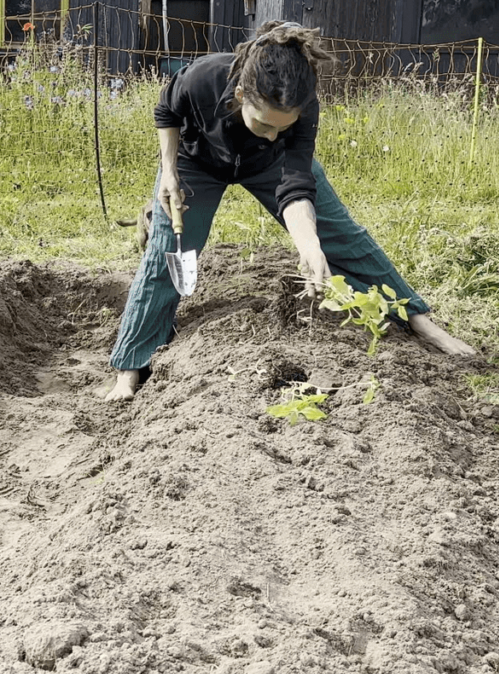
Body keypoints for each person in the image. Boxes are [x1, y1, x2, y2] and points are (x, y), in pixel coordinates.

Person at [102, 20, 475, 402]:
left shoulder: (301, 108)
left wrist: (310, 245)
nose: (271, 133)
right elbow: (167, 112)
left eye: (283, 126)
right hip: (198, 162)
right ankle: (130, 368)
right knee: (171, 250)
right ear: (242, 94)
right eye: (263, 123)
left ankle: (419, 320)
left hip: (272, 164)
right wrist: (169, 172)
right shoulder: (203, 78)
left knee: (343, 236)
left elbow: (296, 185)